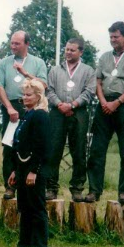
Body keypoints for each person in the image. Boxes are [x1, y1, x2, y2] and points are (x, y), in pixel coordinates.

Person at [85, 21, 124, 205]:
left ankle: (123, 192)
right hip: (104, 106)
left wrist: (117, 103)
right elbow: (97, 81)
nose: (112, 40)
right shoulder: (104, 57)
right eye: (110, 37)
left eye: (116, 37)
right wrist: (104, 101)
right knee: (96, 150)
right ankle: (94, 191)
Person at [0, 31, 48, 199]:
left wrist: (25, 73)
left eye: (17, 43)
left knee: (31, 146)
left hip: (32, 108)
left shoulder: (38, 62)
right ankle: (10, 186)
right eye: (11, 43)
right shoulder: (4, 63)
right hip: (11, 107)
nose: (13, 46)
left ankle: (30, 180)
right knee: (9, 146)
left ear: (27, 44)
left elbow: (43, 85)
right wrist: (10, 108)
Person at [45, 38, 95, 201]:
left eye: (72, 50)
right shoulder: (54, 70)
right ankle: (51, 187)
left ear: (80, 52)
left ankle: (77, 188)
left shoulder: (88, 71)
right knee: (53, 150)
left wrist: (72, 105)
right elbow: (49, 90)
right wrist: (60, 104)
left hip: (79, 113)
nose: (68, 52)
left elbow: (89, 92)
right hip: (56, 112)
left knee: (79, 151)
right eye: (66, 49)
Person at [8, 79, 51, 247]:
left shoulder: (41, 115)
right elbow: (19, 143)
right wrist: (15, 170)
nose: (25, 98)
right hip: (22, 166)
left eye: (29, 94)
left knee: (36, 205)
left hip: (34, 167)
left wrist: (34, 171)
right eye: (23, 94)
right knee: (24, 205)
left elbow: (42, 146)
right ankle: (24, 241)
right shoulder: (27, 115)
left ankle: (39, 244)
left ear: (38, 96)